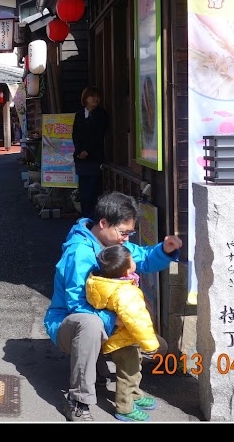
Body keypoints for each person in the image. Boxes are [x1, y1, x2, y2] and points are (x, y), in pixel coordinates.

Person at [43, 191, 181, 422]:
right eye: (123, 232)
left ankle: (123, 385)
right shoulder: (79, 253)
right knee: (90, 323)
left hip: (106, 320)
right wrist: (117, 320)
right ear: (104, 223)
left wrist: (165, 250)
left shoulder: (114, 245)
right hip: (68, 323)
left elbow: (143, 259)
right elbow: (77, 305)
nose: (127, 238)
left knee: (157, 345)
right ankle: (78, 401)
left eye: (130, 233)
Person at [85, 244, 160, 422]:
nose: (135, 261)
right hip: (124, 340)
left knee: (134, 368)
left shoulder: (101, 282)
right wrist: (150, 344)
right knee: (128, 373)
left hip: (116, 336)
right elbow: (138, 320)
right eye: (132, 261)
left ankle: (135, 395)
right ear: (126, 272)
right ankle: (125, 407)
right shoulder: (126, 293)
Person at [72, 86, 108, 220]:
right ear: (85, 98)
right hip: (80, 158)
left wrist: (87, 150)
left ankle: (91, 219)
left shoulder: (101, 114)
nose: (95, 99)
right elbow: (75, 135)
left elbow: (99, 135)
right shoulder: (79, 114)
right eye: (92, 96)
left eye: (97, 96)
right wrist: (80, 151)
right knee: (83, 190)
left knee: (92, 190)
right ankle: (84, 217)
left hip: (94, 157)